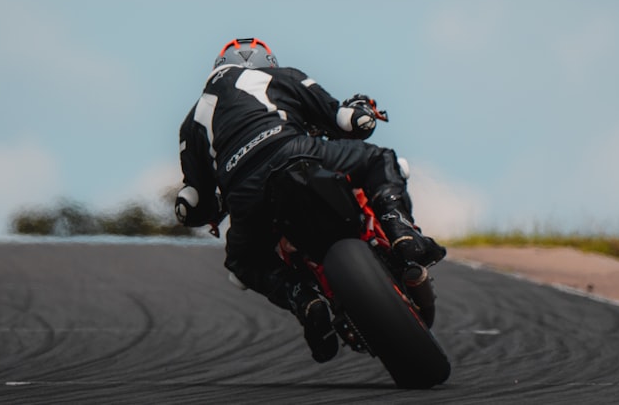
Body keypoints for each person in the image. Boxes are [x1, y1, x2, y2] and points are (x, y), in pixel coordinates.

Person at [175, 38, 446, 363]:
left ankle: (303, 299)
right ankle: (402, 233)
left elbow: (191, 202)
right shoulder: (281, 77)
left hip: (245, 193)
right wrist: (363, 112)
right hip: (297, 152)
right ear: (266, 63)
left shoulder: (191, 124)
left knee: (243, 261)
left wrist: (213, 207)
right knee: (378, 160)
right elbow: (343, 118)